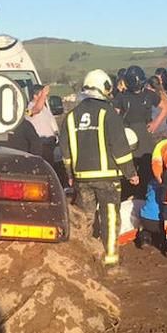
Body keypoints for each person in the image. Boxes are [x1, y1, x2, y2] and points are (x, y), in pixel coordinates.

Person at [62, 69, 140, 267]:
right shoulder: (108, 113)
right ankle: (111, 258)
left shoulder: (70, 117)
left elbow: (65, 152)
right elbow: (120, 147)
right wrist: (130, 173)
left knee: (84, 218)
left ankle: (84, 258)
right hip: (107, 178)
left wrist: (70, 174)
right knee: (110, 217)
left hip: (81, 178)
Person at [114, 66, 167, 191]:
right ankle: (131, 192)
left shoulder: (149, 95)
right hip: (128, 135)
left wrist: (156, 123)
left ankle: (144, 192)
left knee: (146, 166)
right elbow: (114, 114)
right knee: (130, 167)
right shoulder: (122, 97)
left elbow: (165, 107)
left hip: (145, 134)